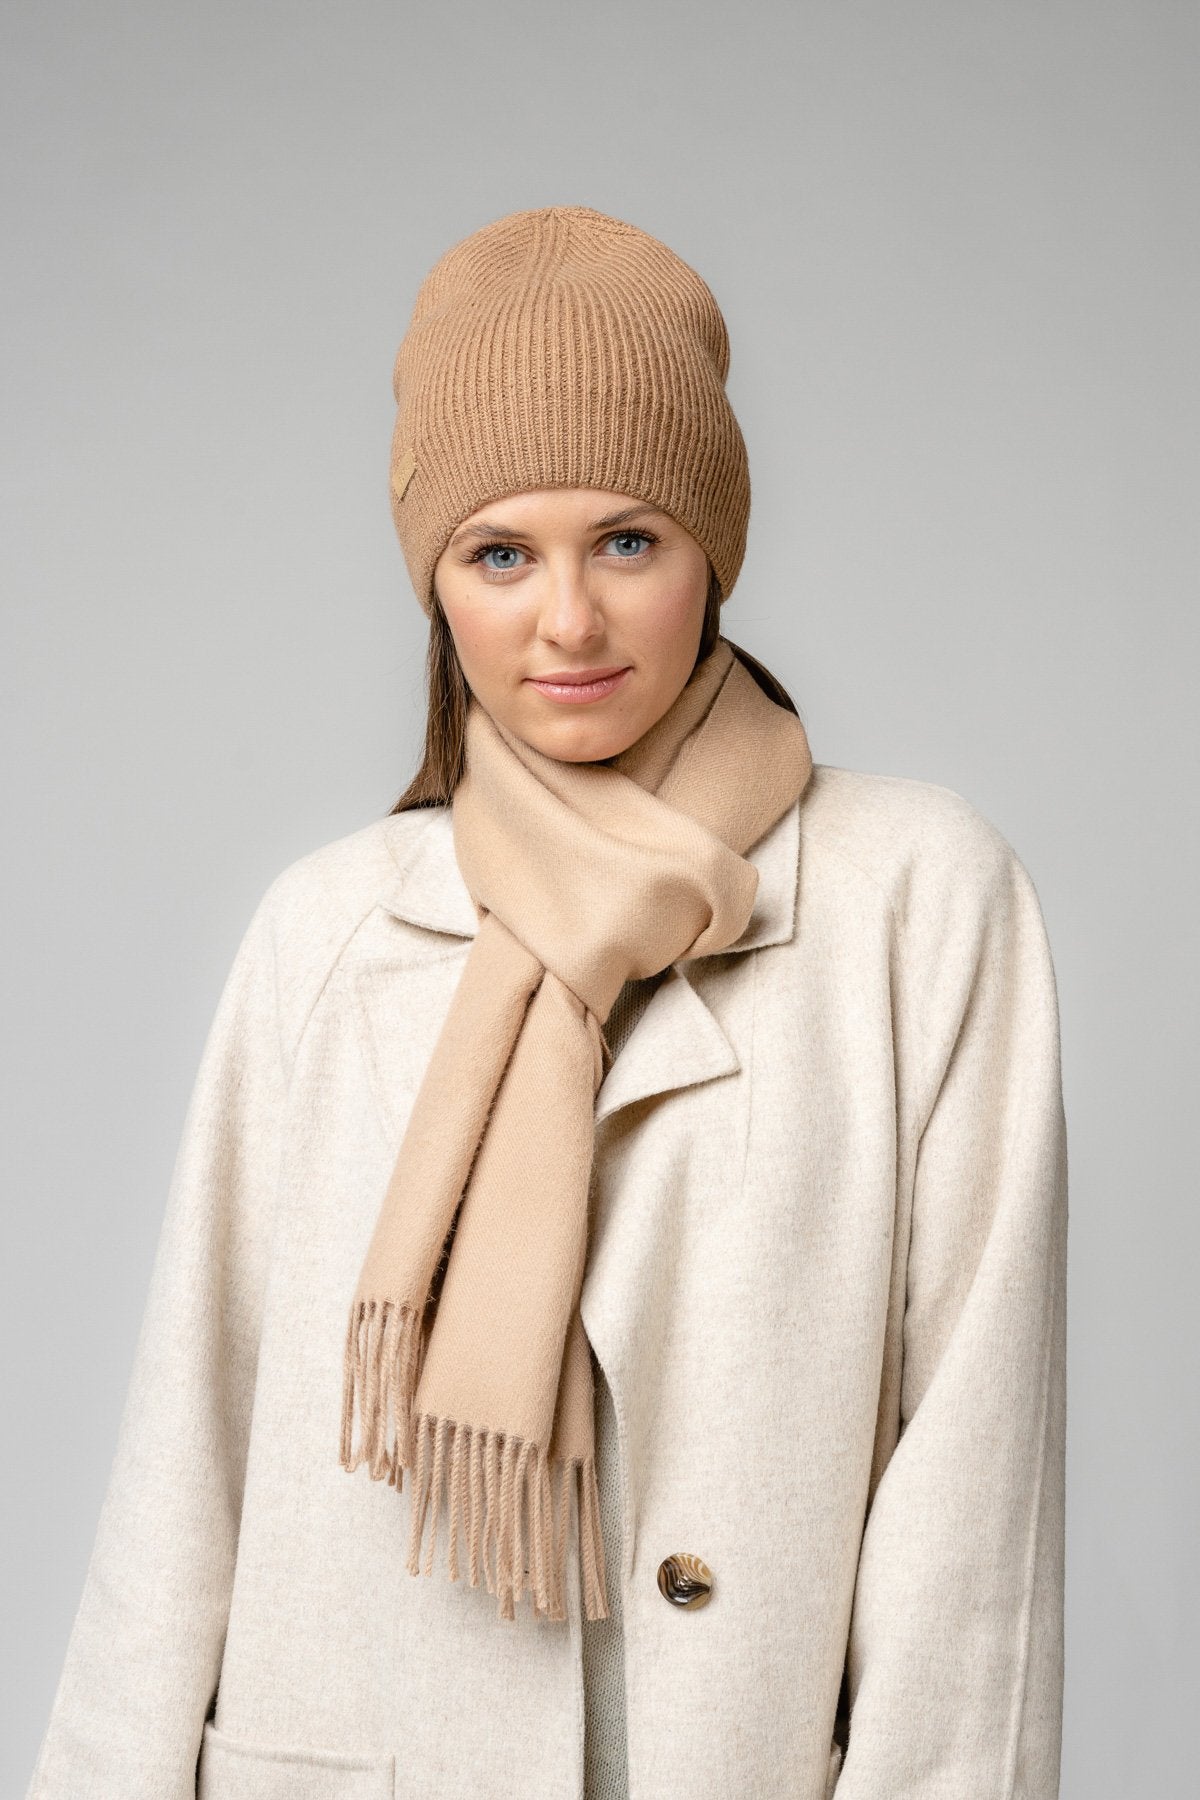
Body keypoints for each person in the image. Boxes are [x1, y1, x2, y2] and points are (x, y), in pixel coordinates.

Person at [25, 205, 1068, 1800]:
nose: (566, 621)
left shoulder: (917, 899)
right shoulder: (331, 926)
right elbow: (193, 1441)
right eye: (499, 553)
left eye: (627, 542)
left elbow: (974, 1490)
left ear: (715, 548)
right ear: (433, 583)